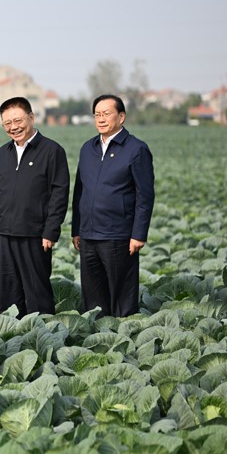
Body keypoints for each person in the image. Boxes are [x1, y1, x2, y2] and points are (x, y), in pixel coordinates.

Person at [72, 94, 155, 317]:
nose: (101, 119)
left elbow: (145, 195)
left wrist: (138, 234)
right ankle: (97, 335)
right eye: (97, 114)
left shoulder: (136, 149)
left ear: (121, 116)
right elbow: (80, 190)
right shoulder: (87, 148)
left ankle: (125, 335)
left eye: (106, 114)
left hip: (118, 234)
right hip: (88, 235)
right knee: (93, 295)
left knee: (122, 295)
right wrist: (76, 229)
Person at [0, 97, 69, 317]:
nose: (13, 127)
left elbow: (59, 194)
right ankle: (11, 339)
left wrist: (51, 230)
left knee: (37, 292)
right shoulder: (1, 154)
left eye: (17, 120)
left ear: (31, 117)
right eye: (7, 123)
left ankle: (42, 337)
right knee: (7, 292)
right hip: (5, 234)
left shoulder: (52, 151)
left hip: (35, 235)